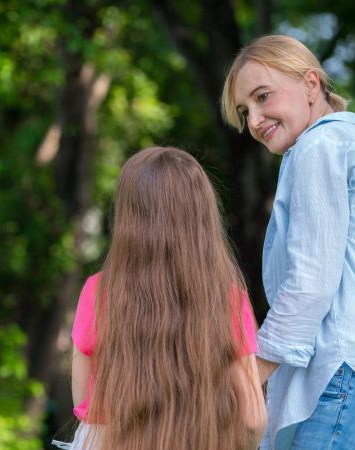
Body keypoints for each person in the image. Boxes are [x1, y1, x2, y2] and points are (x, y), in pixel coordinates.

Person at [220, 34, 355, 449]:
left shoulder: (319, 147)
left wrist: (245, 377)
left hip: (352, 383)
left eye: (263, 96)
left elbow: (310, 283)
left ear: (311, 84)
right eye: (245, 111)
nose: (254, 120)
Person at [53, 147, 267, 450]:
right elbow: (252, 418)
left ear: (128, 217)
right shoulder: (228, 300)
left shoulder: (99, 292)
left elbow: (84, 402)